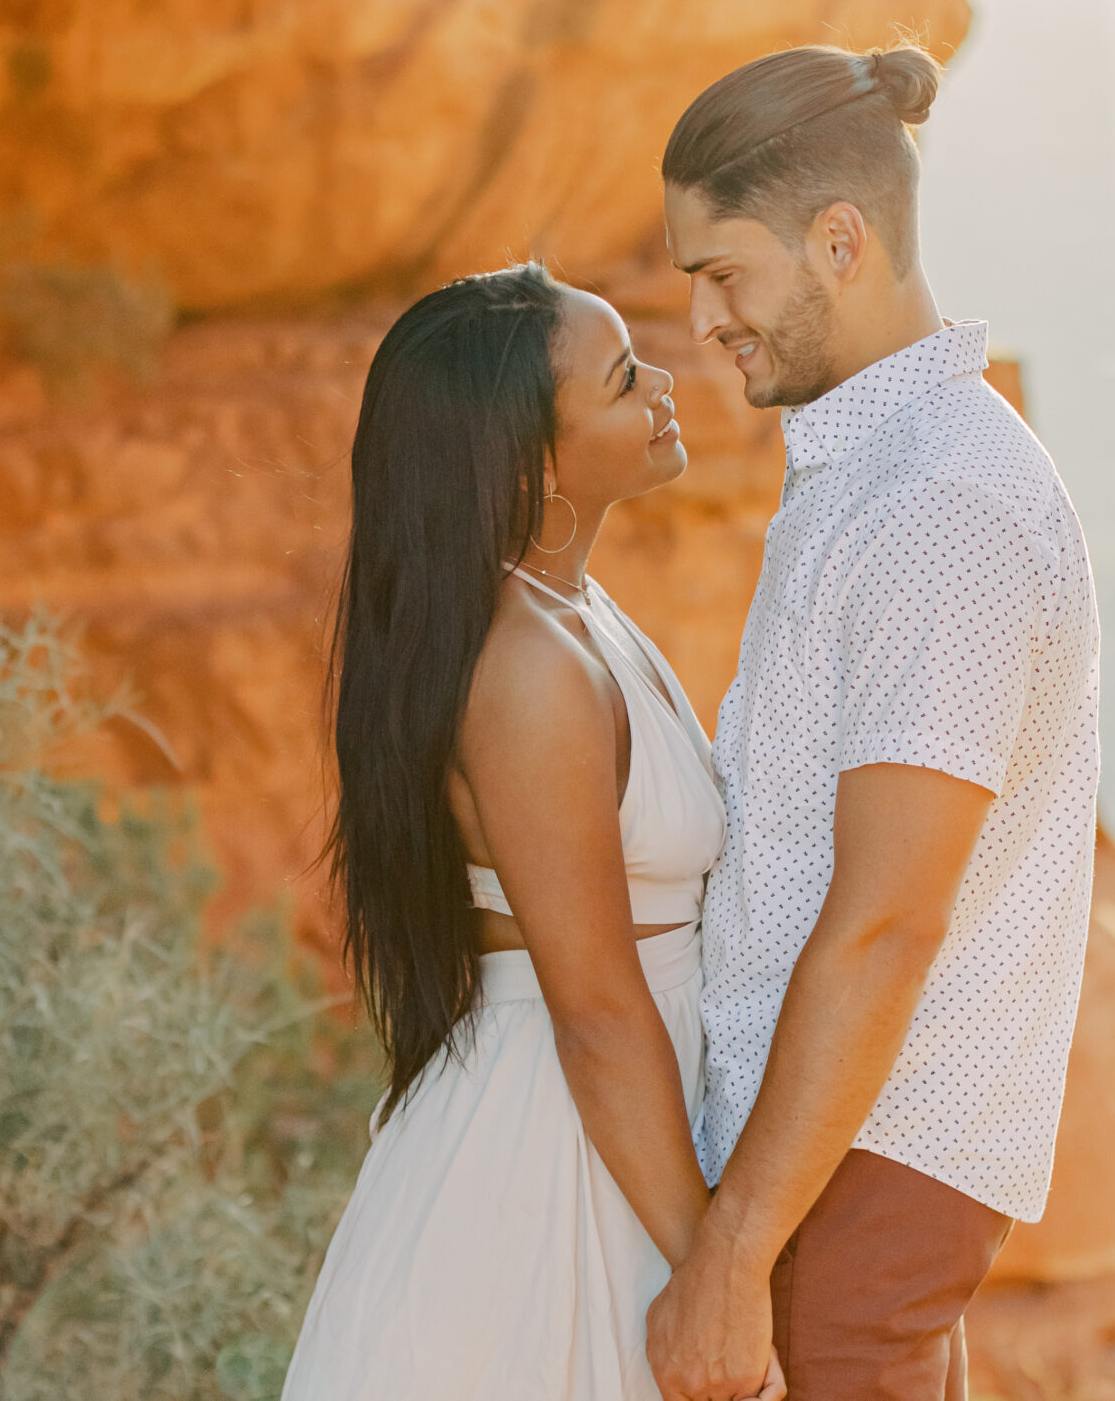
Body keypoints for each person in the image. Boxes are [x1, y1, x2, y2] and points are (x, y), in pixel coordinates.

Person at [646, 45, 1102, 1401]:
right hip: (835, 1170)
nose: (704, 321)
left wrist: (735, 1249)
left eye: (722, 273)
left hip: (853, 1173)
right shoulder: (877, 472)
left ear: (838, 241)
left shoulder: (936, 508)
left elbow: (889, 918)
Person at [284, 263, 784, 1401]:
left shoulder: (574, 613)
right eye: (619, 380)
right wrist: (711, 1267)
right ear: (529, 460)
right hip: (555, 1161)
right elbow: (598, 1008)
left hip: (615, 1131)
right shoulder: (526, 671)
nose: (660, 380)